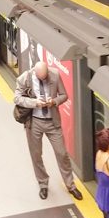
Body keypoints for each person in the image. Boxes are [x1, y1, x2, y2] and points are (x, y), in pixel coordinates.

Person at [14, 61, 82, 201]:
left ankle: (70, 185)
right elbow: (17, 98)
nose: (44, 79)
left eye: (45, 77)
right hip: (34, 122)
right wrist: (34, 103)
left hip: (52, 121)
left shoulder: (55, 75)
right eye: (41, 78)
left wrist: (54, 102)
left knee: (62, 153)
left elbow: (64, 95)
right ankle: (43, 184)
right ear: (35, 72)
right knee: (36, 155)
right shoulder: (25, 78)